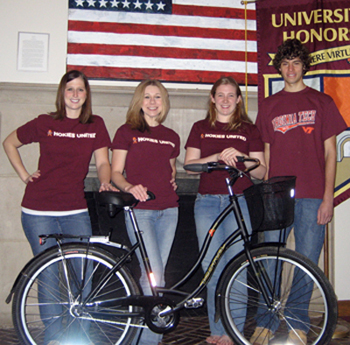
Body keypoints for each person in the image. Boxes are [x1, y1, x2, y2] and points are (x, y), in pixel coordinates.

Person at [2, 69, 114, 345]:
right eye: (70, 89)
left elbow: (102, 162)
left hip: (75, 210)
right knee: (49, 276)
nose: (75, 95)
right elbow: (9, 142)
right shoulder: (45, 122)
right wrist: (24, 175)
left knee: (83, 276)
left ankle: (80, 335)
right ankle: (53, 338)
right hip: (38, 212)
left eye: (80, 90)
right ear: (62, 94)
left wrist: (105, 182)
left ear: (86, 95)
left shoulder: (96, 124)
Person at [251, 39, 348, 345]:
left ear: (304, 66)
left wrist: (328, 198)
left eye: (295, 62)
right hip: (276, 196)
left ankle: (297, 323)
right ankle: (265, 322)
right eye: (285, 63)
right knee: (271, 261)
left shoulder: (322, 102)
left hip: (312, 195)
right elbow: (264, 155)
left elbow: (332, 153)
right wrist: (265, 193)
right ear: (278, 67)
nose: (290, 68)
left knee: (306, 261)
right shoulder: (268, 105)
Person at [184, 76, 267, 345]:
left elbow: (264, 171)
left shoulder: (249, 129)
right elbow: (189, 165)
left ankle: (233, 333)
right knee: (212, 268)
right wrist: (217, 155)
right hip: (207, 203)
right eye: (220, 95)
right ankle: (217, 330)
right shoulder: (200, 127)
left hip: (240, 202)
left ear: (239, 99)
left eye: (231, 95)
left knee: (237, 268)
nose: (225, 100)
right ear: (212, 98)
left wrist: (242, 159)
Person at [111, 79, 180, 345]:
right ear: (139, 101)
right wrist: (130, 186)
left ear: (164, 102)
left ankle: (143, 335)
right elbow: (116, 173)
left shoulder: (172, 137)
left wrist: (171, 180)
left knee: (156, 276)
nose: (152, 102)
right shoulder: (126, 132)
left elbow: (170, 172)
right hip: (141, 211)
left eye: (158, 97)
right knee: (155, 274)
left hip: (170, 211)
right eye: (147, 97)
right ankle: (148, 340)